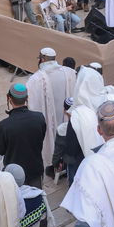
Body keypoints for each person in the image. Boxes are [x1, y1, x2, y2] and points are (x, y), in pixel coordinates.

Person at [27, 47, 76, 175]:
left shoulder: (35, 80)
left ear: (42, 59)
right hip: (65, 115)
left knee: (51, 138)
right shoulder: (69, 72)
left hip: (48, 118)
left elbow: (32, 105)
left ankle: (53, 165)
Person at [0, 82, 47, 187]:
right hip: (35, 170)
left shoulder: (4, 125)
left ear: (9, 98)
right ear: (26, 98)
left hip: (14, 174)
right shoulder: (39, 117)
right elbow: (41, 137)